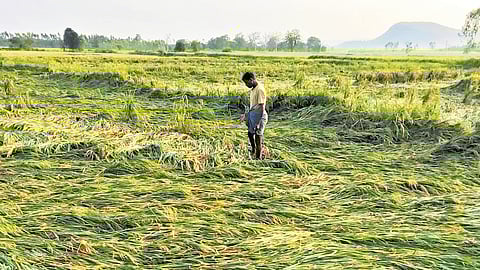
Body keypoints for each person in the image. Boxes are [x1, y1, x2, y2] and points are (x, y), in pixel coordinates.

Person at [240, 72, 268, 160]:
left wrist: (258, 122)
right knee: (250, 133)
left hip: (260, 116)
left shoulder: (259, 89)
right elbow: (254, 106)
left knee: (258, 138)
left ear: (251, 80)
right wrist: (247, 115)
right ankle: (253, 150)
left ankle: (258, 158)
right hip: (253, 116)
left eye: (246, 83)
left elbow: (261, 106)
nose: (246, 85)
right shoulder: (254, 88)